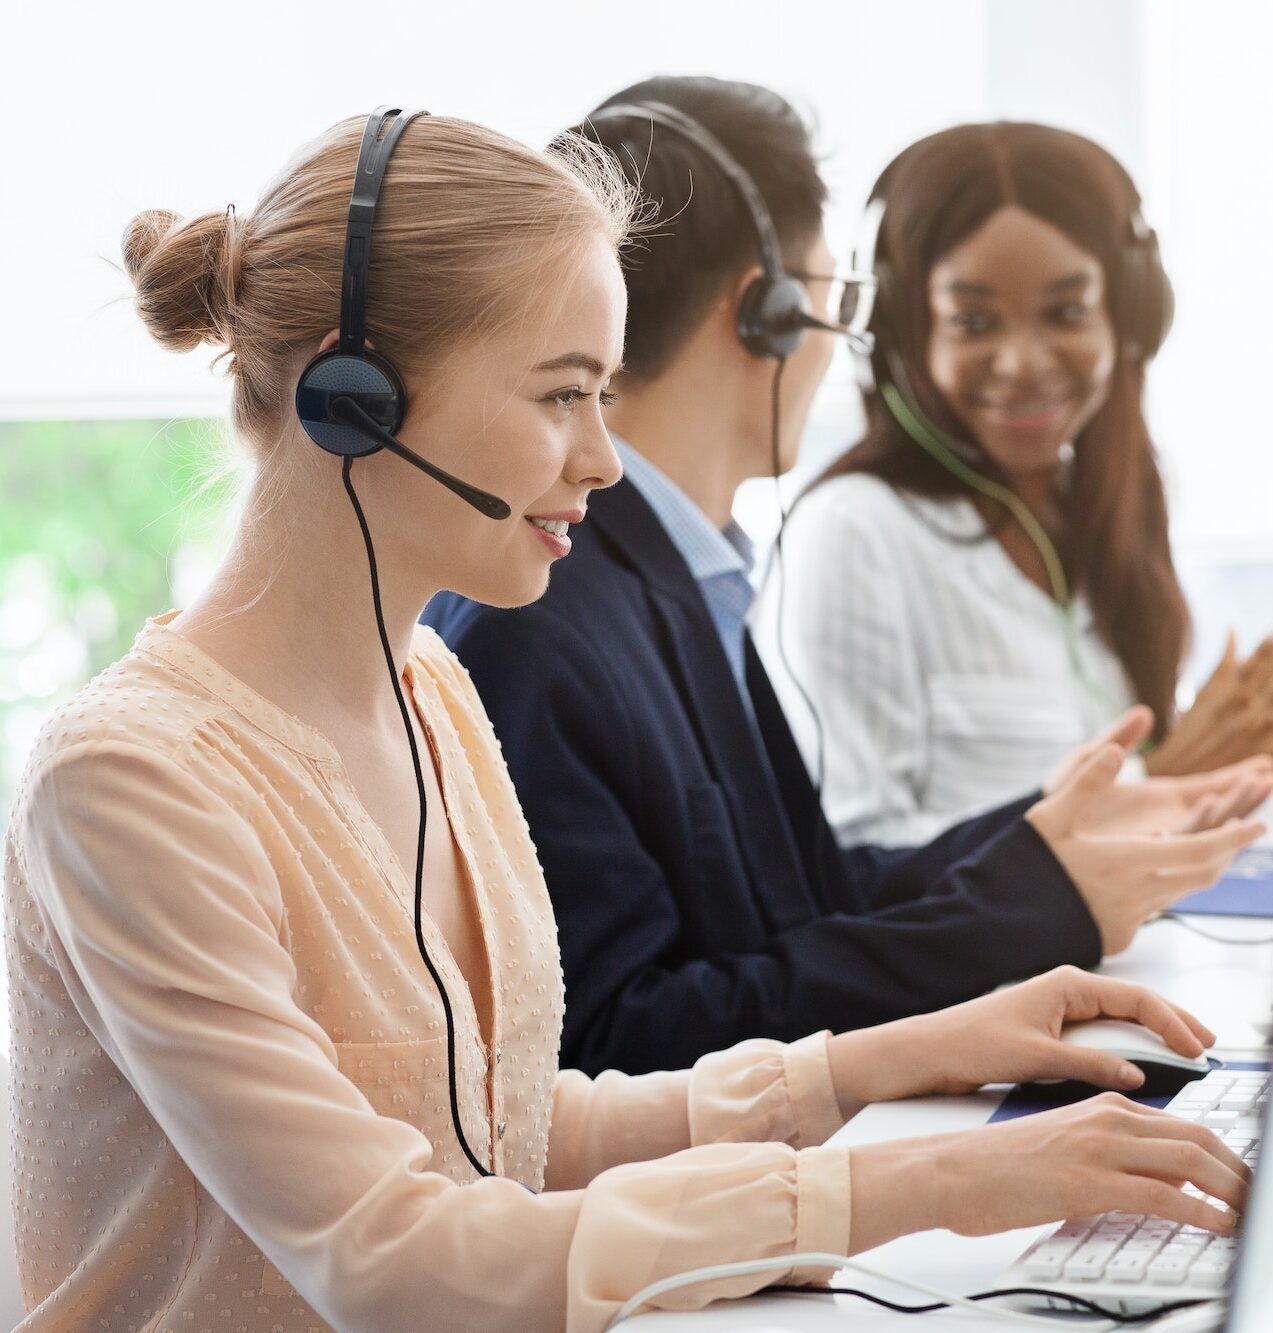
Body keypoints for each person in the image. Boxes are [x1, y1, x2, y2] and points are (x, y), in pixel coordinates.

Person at [5, 104, 1254, 1333]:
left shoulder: (429, 690)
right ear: (357, 397)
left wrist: (901, 1054)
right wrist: (918, 1182)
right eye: (561, 396)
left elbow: (510, 1132)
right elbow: (390, 1260)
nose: (603, 459)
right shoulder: (129, 782)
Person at [425, 77, 1272, 1081]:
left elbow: (803, 900)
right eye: (833, 306)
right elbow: (609, 1042)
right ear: (769, 315)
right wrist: (1035, 906)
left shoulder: (682, 572)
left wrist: (1042, 837)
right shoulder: (541, 608)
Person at [755, 121, 1273, 848]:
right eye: (972, 320)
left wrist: (1220, 774)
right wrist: (1156, 790)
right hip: (985, 970)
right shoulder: (855, 533)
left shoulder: (1099, 511)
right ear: (902, 328)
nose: (1022, 362)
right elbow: (858, 861)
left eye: (1065, 312)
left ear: (1129, 314)